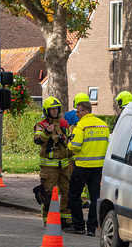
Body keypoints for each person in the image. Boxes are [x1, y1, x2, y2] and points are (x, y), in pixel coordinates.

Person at [65, 101, 110, 236]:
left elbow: (76, 146)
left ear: (85, 111)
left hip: (83, 165)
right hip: (98, 167)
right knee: (95, 197)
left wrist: (69, 144)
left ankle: (78, 225)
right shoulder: (103, 124)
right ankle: (92, 227)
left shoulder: (82, 126)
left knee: (73, 194)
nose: (76, 114)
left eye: (78, 111)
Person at [34, 97, 72, 227]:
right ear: (47, 111)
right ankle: (48, 221)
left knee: (67, 192)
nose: (55, 111)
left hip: (64, 166)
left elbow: (68, 142)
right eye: (52, 109)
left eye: (56, 109)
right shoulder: (41, 125)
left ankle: (66, 220)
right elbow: (38, 140)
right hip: (49, 168)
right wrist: (47, 132)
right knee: (47, 194)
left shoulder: (63, 124)